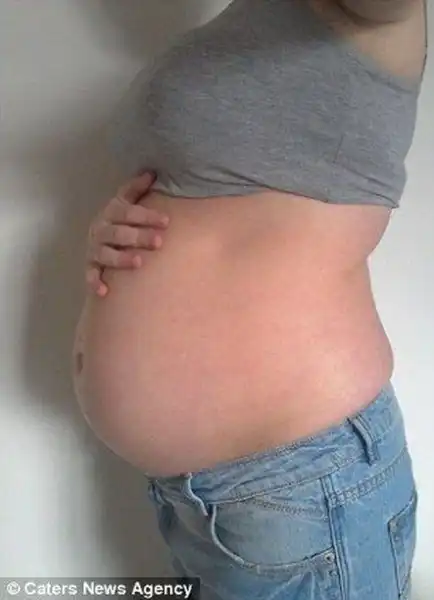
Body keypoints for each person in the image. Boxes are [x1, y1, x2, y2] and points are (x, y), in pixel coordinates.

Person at [72, 0, 428, 598]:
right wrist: (111, 228)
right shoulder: (241, 20)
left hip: (304, 488)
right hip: (203, 499)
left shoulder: (362, 15)